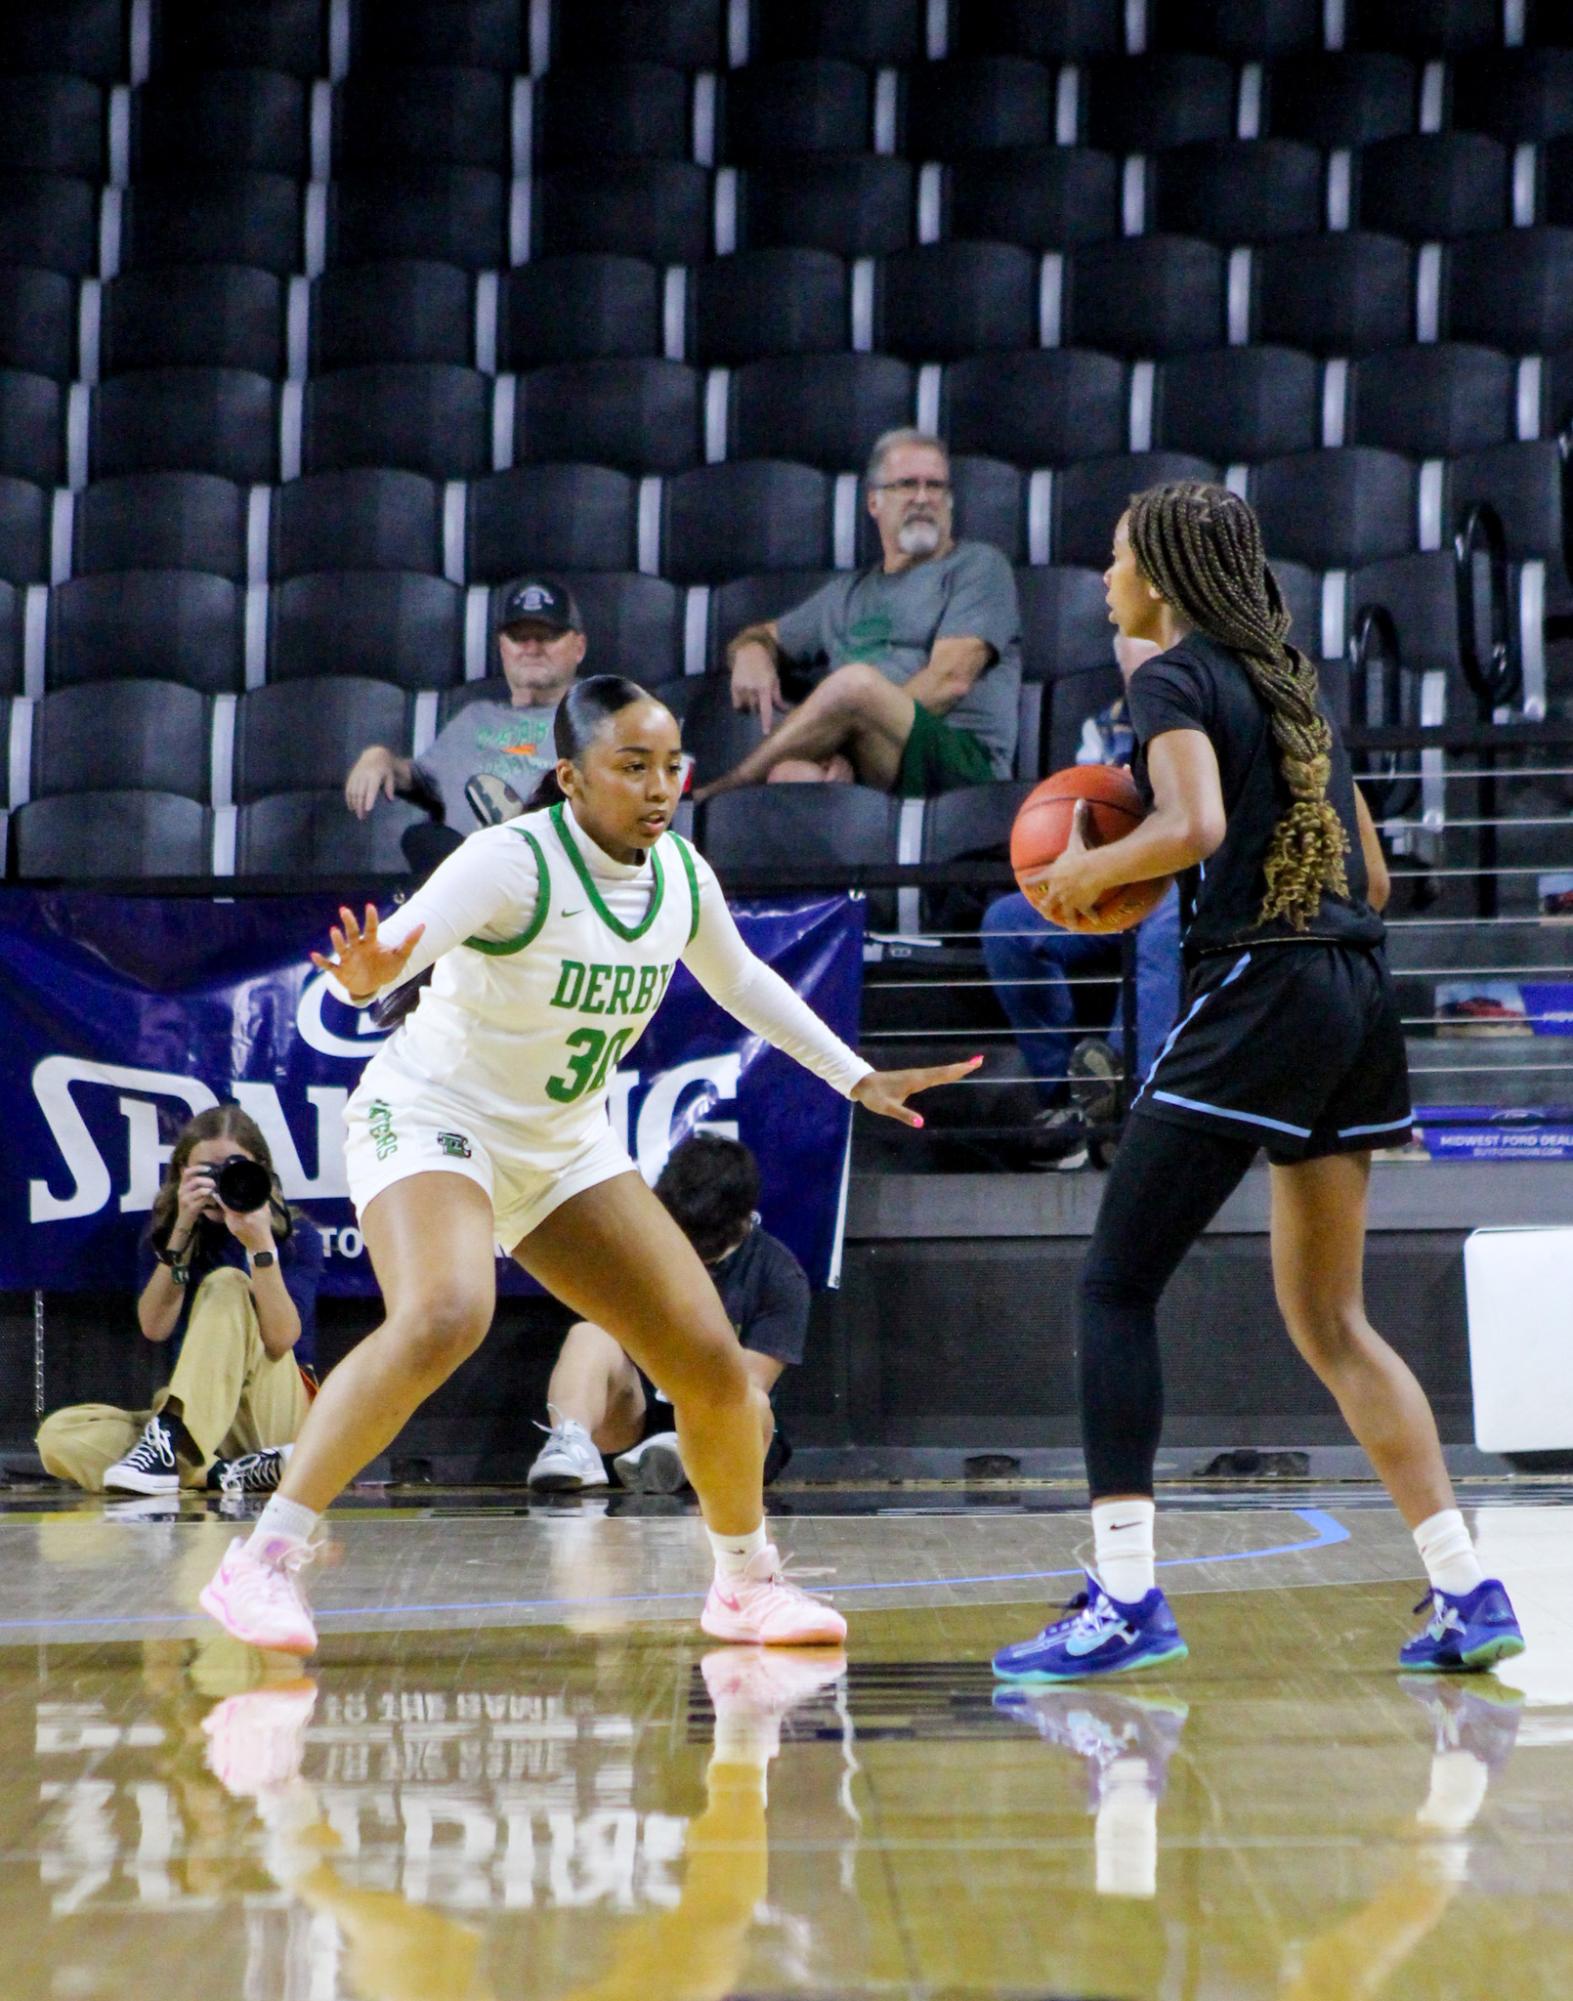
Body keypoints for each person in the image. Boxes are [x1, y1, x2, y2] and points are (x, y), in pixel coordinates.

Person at [200, 674, 977, 1656]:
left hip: (561, 1141)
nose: (659, 788)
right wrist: (370, 974)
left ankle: (743, 1584)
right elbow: (392, 954)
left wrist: (855, 1077)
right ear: (571, 776)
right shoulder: (510, 862)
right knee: (446, 1313)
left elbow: (743, 982)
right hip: (436, 1114)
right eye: (632, 766)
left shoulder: (680, 874)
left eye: (670, 767)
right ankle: (263, 1562)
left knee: (710, 1363)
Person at [991, 481, 1525, 1682]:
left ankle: (1125, 1596)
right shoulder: (1291, 684)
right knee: (1330, 1319)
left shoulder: (1170, 677)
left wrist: (1089, 877)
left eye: (1117, 558)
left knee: (1113, 1285)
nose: (1103, 578)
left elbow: (1188, 824)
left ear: (1161, 581)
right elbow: (1374, 878)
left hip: (1264, 990)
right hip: (1352, 989)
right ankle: (1465, 1587)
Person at [695, 429, 1020, 800]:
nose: (922, 498)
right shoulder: (846, 595)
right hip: (876, 758)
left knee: (855, 685)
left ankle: (717, 795)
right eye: (906, 485)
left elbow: (951, 681)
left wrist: (852, 735)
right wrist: (751, 651)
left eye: (936, 487)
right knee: (792, 774)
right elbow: (765, 635)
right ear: (873, 503)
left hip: (961, 762)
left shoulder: (978, 566)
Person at [37, 1105, 322, 1501]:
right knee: (58, 1436)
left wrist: (260, 1246)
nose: (221, 1183)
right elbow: (155, 1326)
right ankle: (220, 1473)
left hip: (273, 1412)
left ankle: (173, 1448)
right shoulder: (167, 1232)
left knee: (227, 1283)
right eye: (207, 1172)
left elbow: (281, 1339)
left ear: (261, 1169)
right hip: (203, 1416)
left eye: (234, 1169)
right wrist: (181, 1231)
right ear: (182, 1173)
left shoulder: (294, 1235)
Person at [981, 634, 1182, 1169]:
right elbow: (1077, 821)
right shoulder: (1104, 727)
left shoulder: (1202, 727)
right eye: (1136, 672)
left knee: (1164, 917)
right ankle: (1064, 1102)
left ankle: (1126, 1093)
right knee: (1007, 922)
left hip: (1182, 886)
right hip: (1108, 884)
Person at [527, 1133, 809, 1494]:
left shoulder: (778, 1273)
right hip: (634, 1426)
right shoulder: (635, 1252)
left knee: (749, 1398)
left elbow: (750, 1382)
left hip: (723, 1427)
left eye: (703, 1237)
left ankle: (682, 1455)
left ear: (743, 1221)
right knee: (588, 1335)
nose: (690, 1246)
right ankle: (570, 1444)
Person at [344, 576, 587, 873]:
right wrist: (378, 757)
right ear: (502, 647)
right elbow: (418, 777)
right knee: (422, 839)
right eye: (519, 636)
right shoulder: (472, 720)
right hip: (470, 876)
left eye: (547, 636)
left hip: (561, 869)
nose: (531, 648)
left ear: (578, 647)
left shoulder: (600, 712)